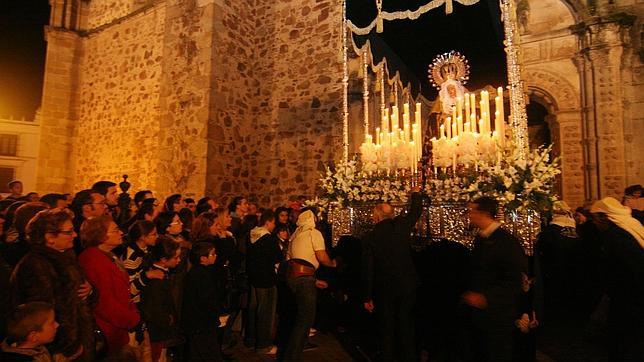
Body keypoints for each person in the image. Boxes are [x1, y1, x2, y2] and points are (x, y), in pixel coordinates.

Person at [11, 209, 95, 360]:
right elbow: (41, 316)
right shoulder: (35, 266)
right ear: (50, 237)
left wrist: (90, 290)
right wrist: (63, 349)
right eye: (69, 232)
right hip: (60, 349)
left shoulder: (65, 256)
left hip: (77, 341)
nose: (75, 235)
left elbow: (78, 297)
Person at [462, 197, 526, 362]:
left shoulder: (505, 242)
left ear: (483, 213)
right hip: (481, 315)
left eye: (472, 211)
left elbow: (514, 280)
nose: (469, 215)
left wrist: (486, 297)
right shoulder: (482, 238)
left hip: (497, 316)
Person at [361, 188, 422, 361]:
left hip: (385, 288)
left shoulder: (370, 238)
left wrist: (367, 297)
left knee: (387, 328)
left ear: (376, 217)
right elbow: (416, 211)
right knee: (407, 325)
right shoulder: (401, 226)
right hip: (407, 285)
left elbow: (368, 269)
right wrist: (416, 194)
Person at [589, 197, 644, 361]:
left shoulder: (618, 237)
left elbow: (629, 271)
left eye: (595, 219)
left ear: (604, 217)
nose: (594, 223)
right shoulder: (627, 229)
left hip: (629, 302)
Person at [78, 215, 140, 355]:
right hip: (108, 329)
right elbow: (104, 302)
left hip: (117, 327)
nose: (121, 233)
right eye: (115, 230)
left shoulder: (108, 255)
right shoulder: (93, 260)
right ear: (100, 235)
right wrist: (132, 320)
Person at [283, 209, 337, 360]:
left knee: (297, 317)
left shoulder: (295, 234)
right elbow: (321, 256)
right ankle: (291, 357)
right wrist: (332, 264)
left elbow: (291, 259)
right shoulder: (313, 233)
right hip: (304, 279)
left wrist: (313, 280)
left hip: (294, 278)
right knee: (305, 320)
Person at [139, 236, 182, 362]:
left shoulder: (162, 273)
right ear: (163, 259)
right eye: (176, 258)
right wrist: (167, 320)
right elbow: (155, 309)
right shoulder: (156, 280)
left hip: (161, 330)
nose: (179, 261)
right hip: (157, 331)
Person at [246, 210, 283, 353]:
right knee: (266, 311)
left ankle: (251, 339)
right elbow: (277, 257)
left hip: (254, 278)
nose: (274, 226)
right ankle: (263, 344)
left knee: (253, 309)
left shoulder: (251, 235)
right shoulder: (268, 238)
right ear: (268, 222)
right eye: (273, 223)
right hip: (266, 279)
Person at [181, 242, 222, 361]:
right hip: (202, 324)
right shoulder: (202, 275)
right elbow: (207, 301)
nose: (215, 256)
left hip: (197, 323)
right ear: (203, 258)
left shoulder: (196, 273)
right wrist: (216, 314)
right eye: (212, 254)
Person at [122, 220, 163, 304]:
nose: (157, 236)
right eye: (153, 234)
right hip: (136, 303)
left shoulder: (145, 249)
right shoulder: (132, 258)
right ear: (142, 237)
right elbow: (130, 290)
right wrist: (147, 275)